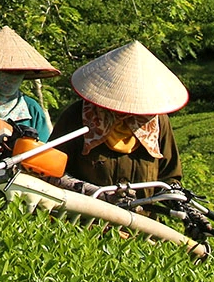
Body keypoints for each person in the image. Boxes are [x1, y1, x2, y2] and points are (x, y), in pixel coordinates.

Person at [49, 39, 186, 189]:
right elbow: (51, 170)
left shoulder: (156, 123)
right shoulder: (78, 116)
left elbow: (170, 176)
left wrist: (173, 196)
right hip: (86, 210)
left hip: (142, 212)